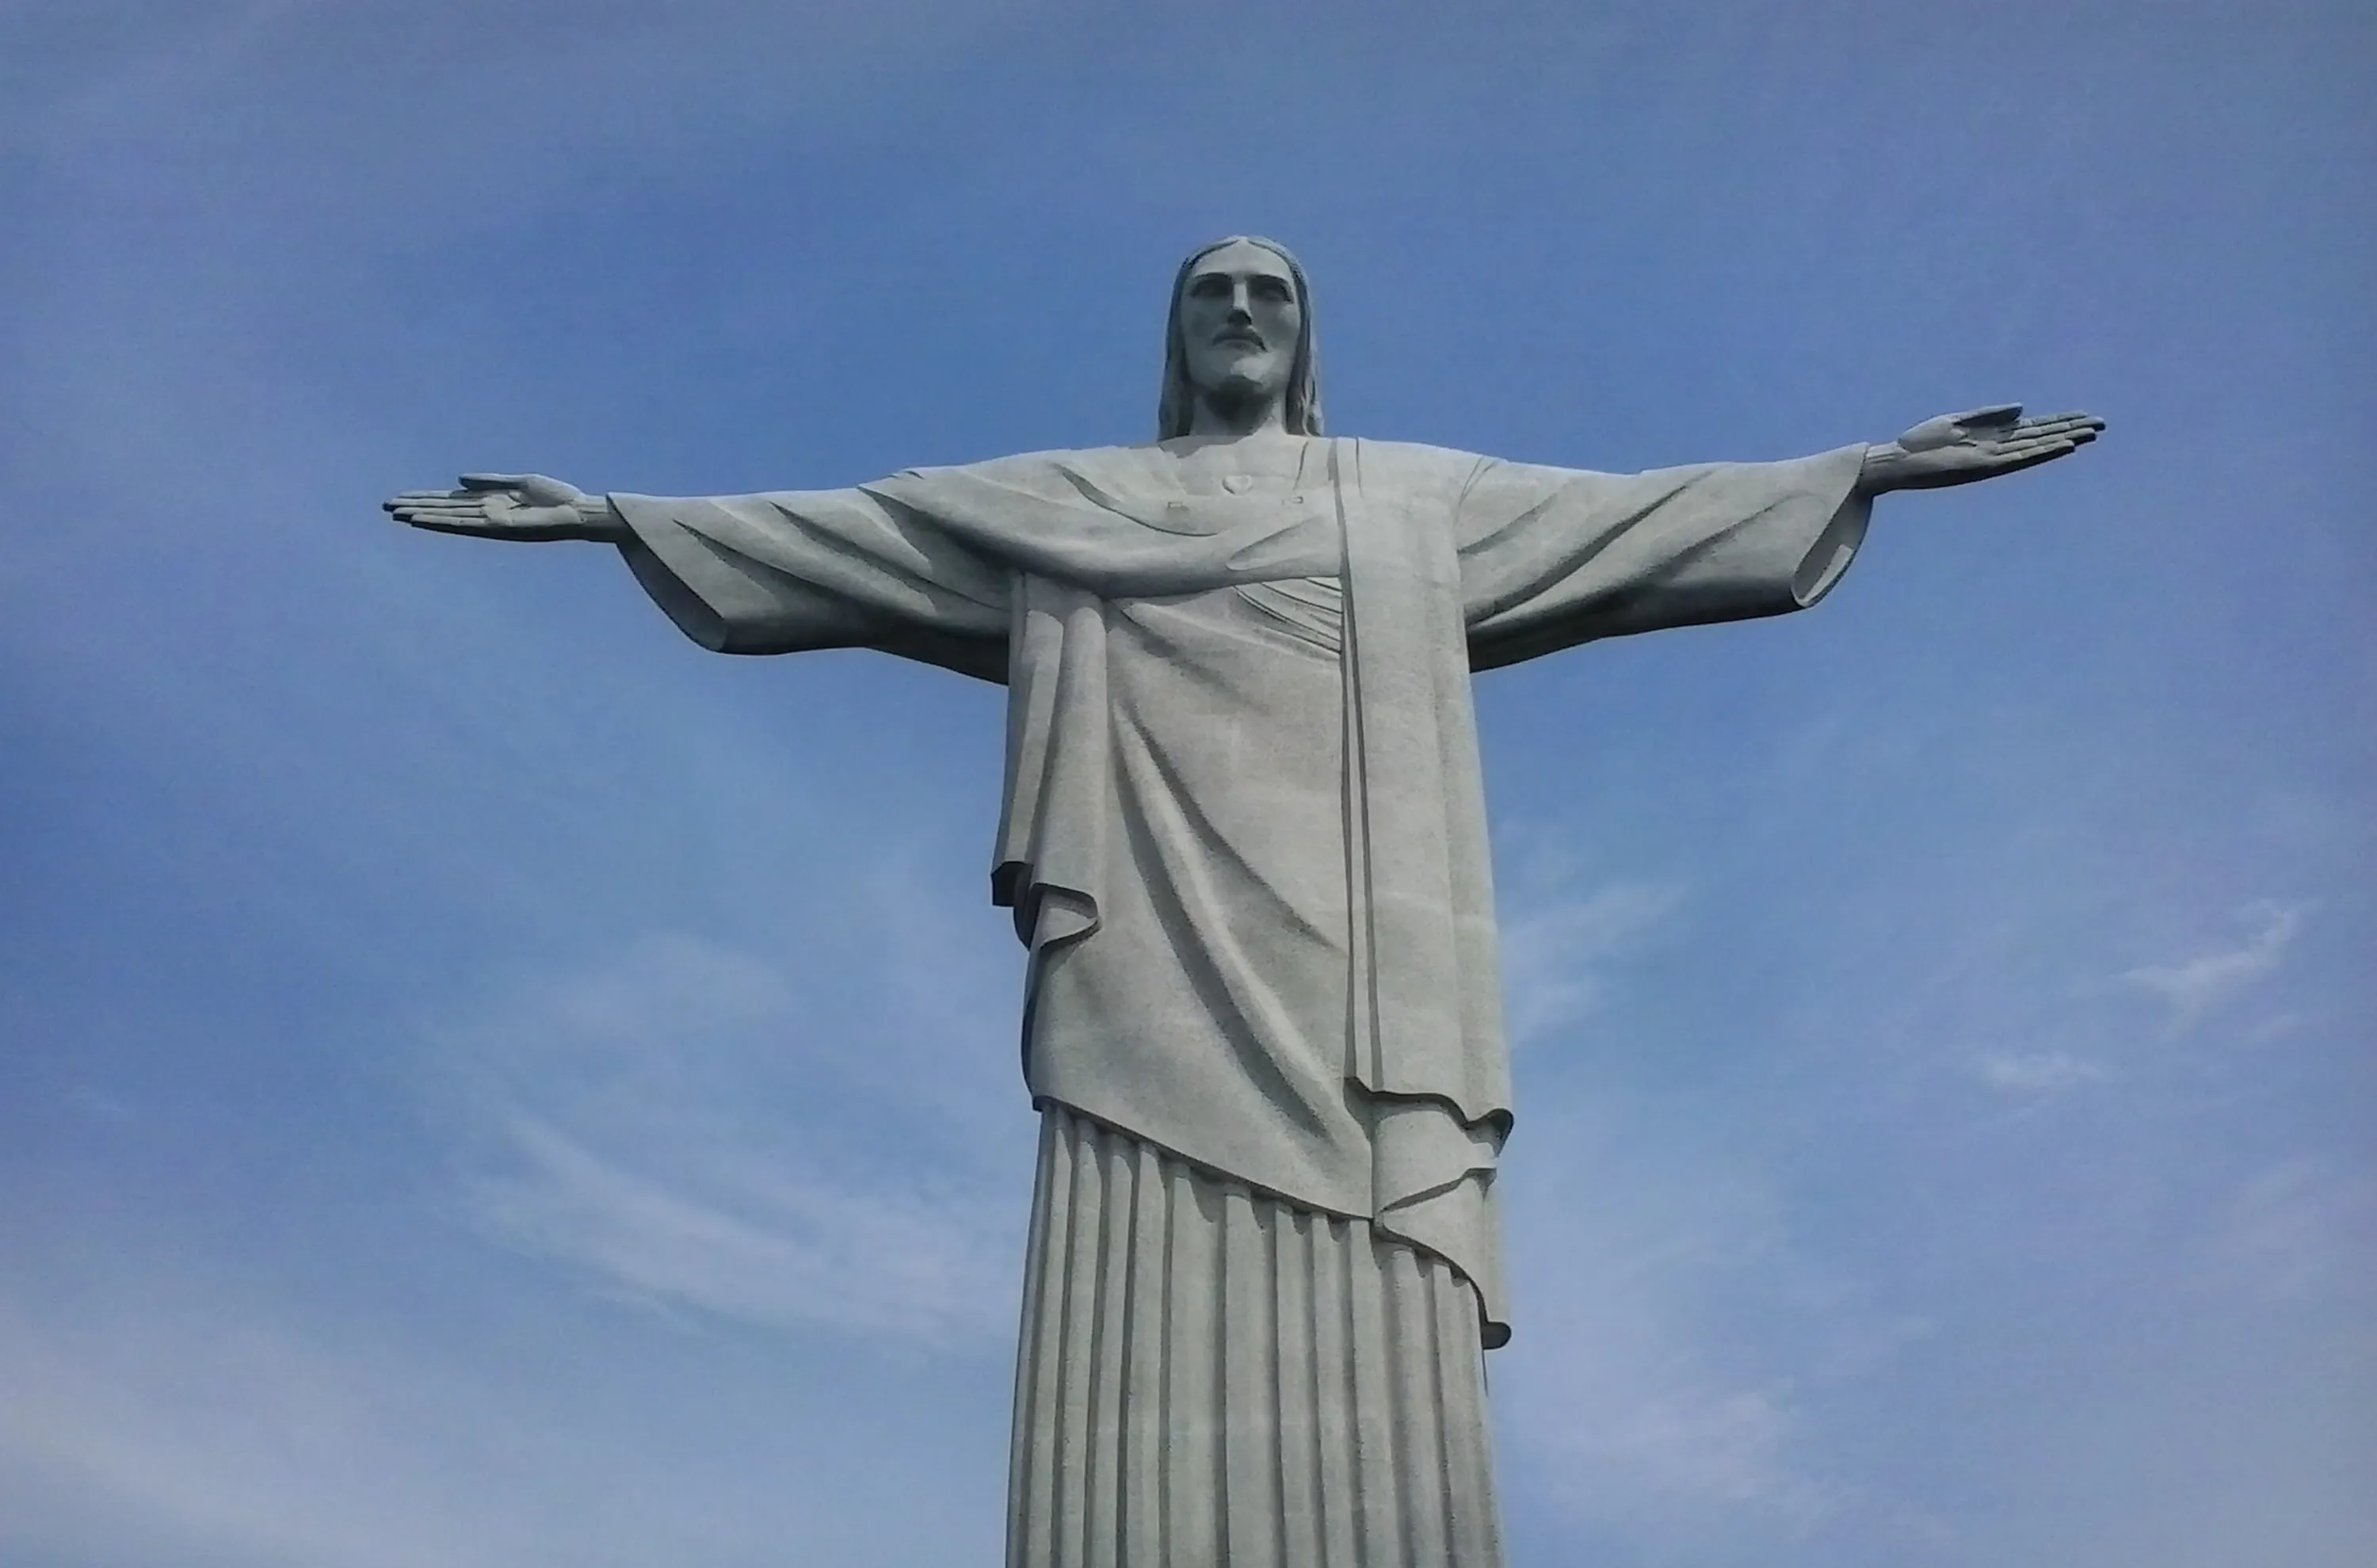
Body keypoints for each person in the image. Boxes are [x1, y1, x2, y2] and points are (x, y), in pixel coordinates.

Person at [388, 236, 2100, 1568]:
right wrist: (620, 513)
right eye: (1211, 289)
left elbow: (1631, 520)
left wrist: (1862, 466)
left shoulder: (1407, 496)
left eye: (1269, 289)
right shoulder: (1074, 506)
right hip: (1141, 945)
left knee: (1378, 1235)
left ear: (1303, 330)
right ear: (1175, 331)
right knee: (1133, 1252)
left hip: (1364, 962)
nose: (1240, 307)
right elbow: (856, 539)